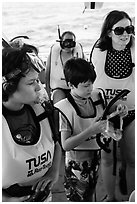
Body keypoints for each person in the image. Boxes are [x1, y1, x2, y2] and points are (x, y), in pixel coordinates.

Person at [2, 45, 62, 202]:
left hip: (44, 196)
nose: (38, 87)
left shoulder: (42, 110)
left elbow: (56, 142)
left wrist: (53, 172)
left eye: (38, 80)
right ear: (9, 86)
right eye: (31, 83)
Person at [90, 10, 135, 201]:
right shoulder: (99, 52)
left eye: (130, 29)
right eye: (120, 30)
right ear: (109, 32)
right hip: (106, 113)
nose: (126, 34)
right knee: (108, 159)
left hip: (132, 112)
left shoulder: (134, 49)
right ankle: (111, 198)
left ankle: (132, 197)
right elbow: (90, 85)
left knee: (132, 159)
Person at [54, 58, 109, 201]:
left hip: (95, 159)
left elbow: (103, 121)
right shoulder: (64, 108)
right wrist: (91, 131)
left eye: (91, 84)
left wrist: (118, 114)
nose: (90, 89)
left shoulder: (95, 97)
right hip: (76, 166)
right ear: (70, 85)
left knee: (90, 195)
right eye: (85, 86)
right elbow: (65, 144)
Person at [45, 30, 85, 104]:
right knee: (59, 103)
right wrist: (48, 94)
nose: (68, 45)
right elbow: (47, 74)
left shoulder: (78, 53)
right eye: (66, 43)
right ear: (61, 42)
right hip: (59, 88)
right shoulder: (54, 53)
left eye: (71, 43)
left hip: (75, 87)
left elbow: (86, 72)